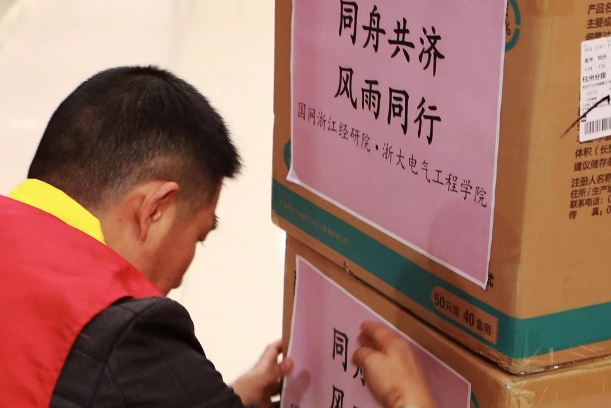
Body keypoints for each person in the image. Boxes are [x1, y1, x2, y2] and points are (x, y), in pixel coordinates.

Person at [0, 66, 435, 408]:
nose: (181, 277)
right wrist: (409, 400)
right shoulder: (127, 334)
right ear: (154, 210)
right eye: (199, 236)